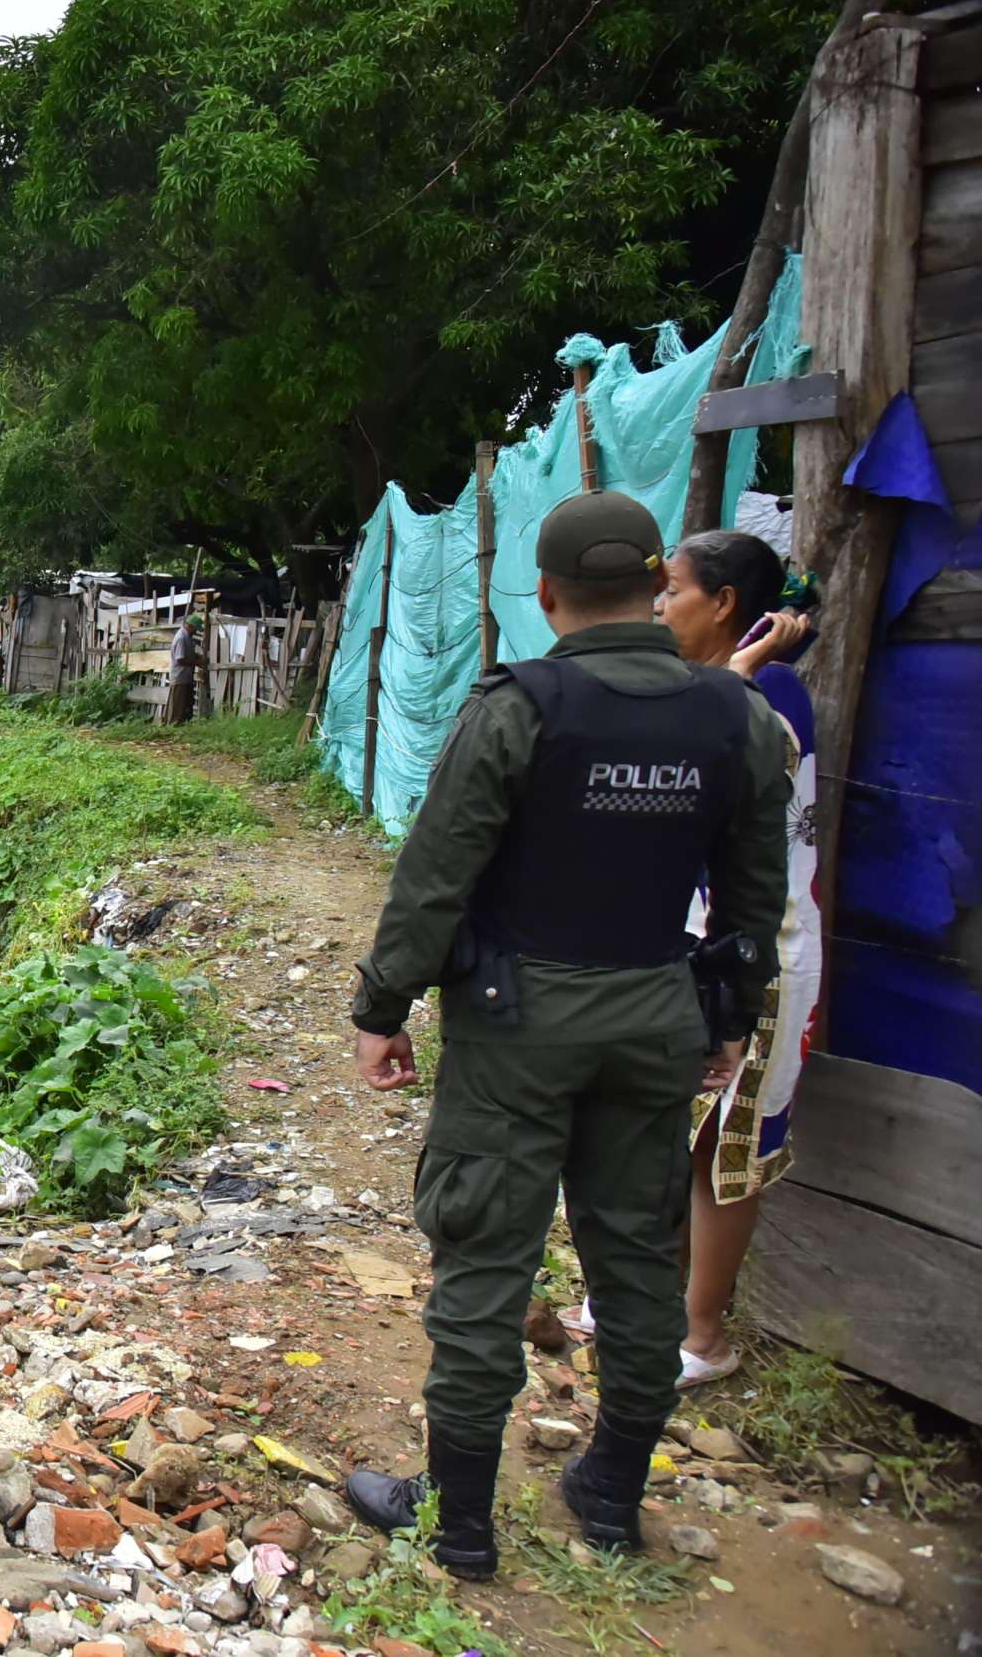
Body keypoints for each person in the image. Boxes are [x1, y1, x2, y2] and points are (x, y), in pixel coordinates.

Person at [339, 491, 789, 1578]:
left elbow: (436, 872)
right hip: (655, 1015)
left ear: (544, 594)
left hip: (516, 1024)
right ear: (655, 584)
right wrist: (725, 1019)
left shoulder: (519, 706)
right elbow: (752, 897)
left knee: (486, 1252)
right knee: (636, 1254)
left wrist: (382, 1008)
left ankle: (459, 1519)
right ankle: (609, 1496)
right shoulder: (736, 717)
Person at [562, 528, 818, 1387]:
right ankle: (638, 1298)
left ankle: (704, 1336)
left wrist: (742, 670)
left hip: (762, 954)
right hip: (693, 946)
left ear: (726, 604)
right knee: (659, 1129)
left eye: (673, 589)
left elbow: (721, 761)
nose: (659, 604)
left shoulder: (771, 694)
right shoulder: (711, 687)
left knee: (727, 1153)